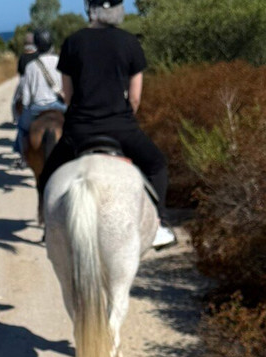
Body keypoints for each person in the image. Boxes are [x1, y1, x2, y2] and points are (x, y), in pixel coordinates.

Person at [36, 0, 176, 248]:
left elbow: (67, 97)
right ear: (118, 11)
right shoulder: (130, 42)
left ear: (90, 10)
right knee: (157, 165)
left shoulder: (73, 42)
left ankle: (51, 227)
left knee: (47, 175)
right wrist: (123, 116)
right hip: (121, 129)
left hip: (79, 131)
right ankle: (159, 225)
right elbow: (134, 97)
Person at [14, 29, 67, 159]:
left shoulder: (31, 66)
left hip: (37, 108)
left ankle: (21, 154)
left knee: (22, 128)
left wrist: (26, 106)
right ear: (51, 44)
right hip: (59, 106)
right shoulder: (61, 61)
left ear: (36, 46)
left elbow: (26, 95)